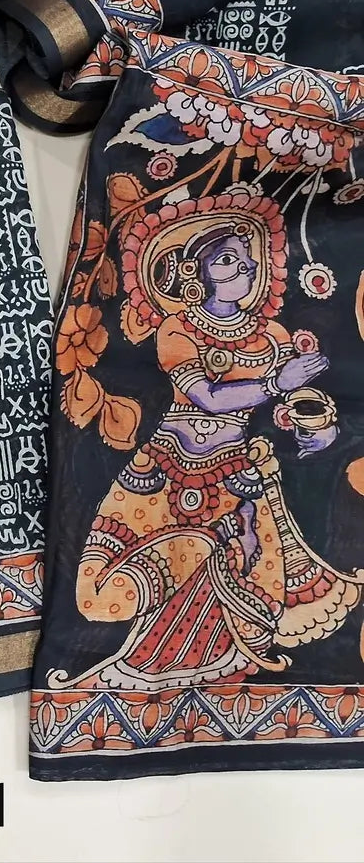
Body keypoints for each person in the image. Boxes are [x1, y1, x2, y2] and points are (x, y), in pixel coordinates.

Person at [52, 196, 363, 691]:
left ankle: (224, 681)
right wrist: (276, 383)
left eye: (247, 258)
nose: (244, 267)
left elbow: (285, 406)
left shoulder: (271, 335)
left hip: (235, 471)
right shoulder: (178, 328)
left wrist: (317, 426)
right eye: (227, 260)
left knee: (243, 582)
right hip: (166, 467)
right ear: (195, 274)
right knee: (110, 585)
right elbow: (208, 396)